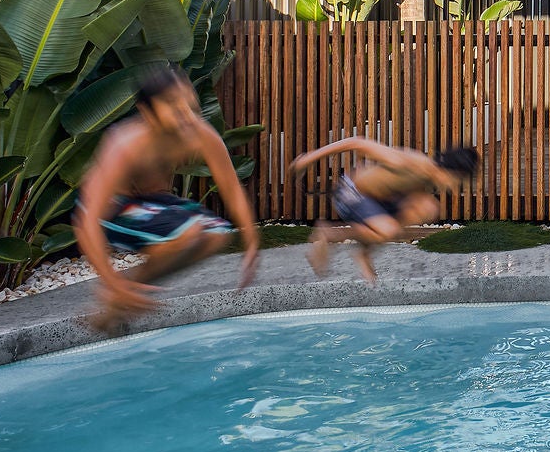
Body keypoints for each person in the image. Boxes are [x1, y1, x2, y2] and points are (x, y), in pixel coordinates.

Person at [75, 64, 261, 332]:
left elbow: (231, 188)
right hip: (108, 213)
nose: (185, 112)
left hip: (149, 204)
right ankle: (118, 295)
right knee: (187, 233)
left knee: (216, 234)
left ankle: (126, 295)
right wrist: (111, 281)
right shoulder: (126, 144)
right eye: (173, 104)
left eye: (189, 103)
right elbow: (86, 221)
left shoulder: (199, 134)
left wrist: (252, 243)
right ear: (148, 113)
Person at [291, 139, 480, 284]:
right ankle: (329, 234)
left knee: (428, 207)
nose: (455, 187)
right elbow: (356, 142)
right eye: (458, 182)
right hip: (350, 193)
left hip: (380, 202)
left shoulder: (429, 179)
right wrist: (308, 159)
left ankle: (364, 252)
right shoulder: (409, 163)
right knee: (388, 229)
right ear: (451, 173)